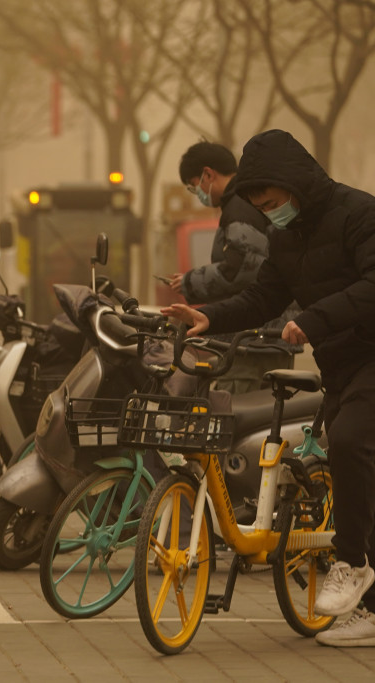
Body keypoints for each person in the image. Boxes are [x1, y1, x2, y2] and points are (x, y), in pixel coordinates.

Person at [161, 129, 375, 648]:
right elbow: (262, 297)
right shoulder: (287, 236)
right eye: (261, 206)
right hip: (342, 364)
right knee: (354, 463)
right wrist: (206, 317)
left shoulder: (359, 213)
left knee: (348, 441)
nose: (269, 212)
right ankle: (371, 611)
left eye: (273, 203)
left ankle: (350, 565)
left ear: (296, 185)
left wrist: (317, 320)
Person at [168, 141, 295, 392]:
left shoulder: (239, 206)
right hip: (266, 336)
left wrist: (190, 281)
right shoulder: (245, 201)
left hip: (255, 339)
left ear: (208, 174)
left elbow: (241, 268)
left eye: (195, 186)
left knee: (237, 412)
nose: (199, 194)